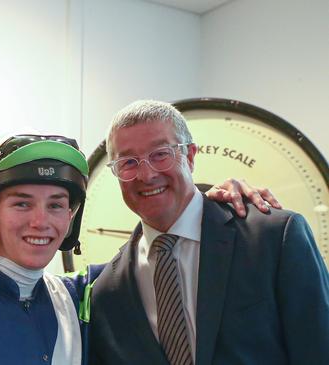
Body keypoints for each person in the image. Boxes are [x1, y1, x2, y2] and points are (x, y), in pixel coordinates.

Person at [0, 132, 281, 365]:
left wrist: (213, 201)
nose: (41, 222)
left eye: (55, 205)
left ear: (70, 218)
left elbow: (158, 240)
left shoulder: (83, 294)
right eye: (22, 204)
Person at [88, 100, 329, 365]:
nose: (146, 174)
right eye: (129, 162)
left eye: (161, 154)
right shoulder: (107, 293)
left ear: (190, 156)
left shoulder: (274, 239)